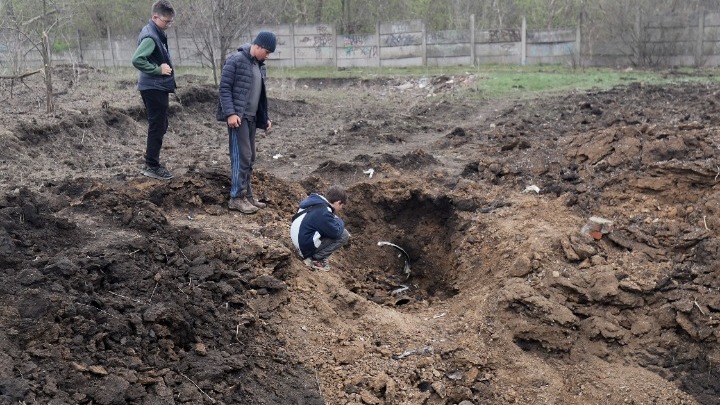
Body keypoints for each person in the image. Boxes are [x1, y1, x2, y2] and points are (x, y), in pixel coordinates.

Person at [216, 31, 276, 213]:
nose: (267, 56)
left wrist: (264, 118)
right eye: (267, 52)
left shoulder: (260, 66)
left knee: (250, 157)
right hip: (238, 118)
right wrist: (230, 113)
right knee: (241, 156)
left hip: (251, 118)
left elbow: (260, 96)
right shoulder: (235, 61)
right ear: (258, 46)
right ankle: (236, 197)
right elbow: (224, 88)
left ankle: (247, 195)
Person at [131, 0, 177, 180]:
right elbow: (137, 59)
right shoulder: (151, 37)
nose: (169, 25)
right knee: (157, 125)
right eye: (167, 21)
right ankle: (151, 165)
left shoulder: (155, 32)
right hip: (153, 86)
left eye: (171, 22)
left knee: (161, 124)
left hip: (156, 86)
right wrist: (158, 69)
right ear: (155, 17)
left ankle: (152, 162)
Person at [290, 185, 351, 271]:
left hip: (298, 239)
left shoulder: (315, 201)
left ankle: (313, 255)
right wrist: (341, 221)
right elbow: (336, 232)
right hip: (304, 248)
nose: (341, 209)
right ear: (338, 202)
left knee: (329, 229)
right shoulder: (324, 212)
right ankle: (316, 259)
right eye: (342, 206)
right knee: (344, 234)